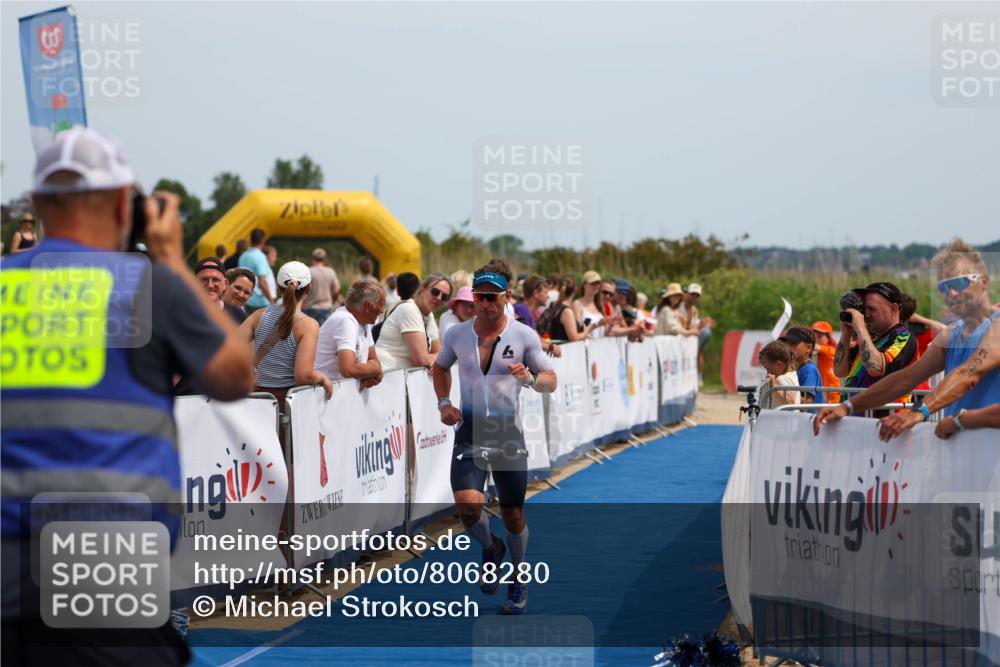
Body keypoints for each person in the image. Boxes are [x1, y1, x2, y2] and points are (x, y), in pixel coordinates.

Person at [1, 127, 253, 665]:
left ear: (40, 205)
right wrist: (173, 260)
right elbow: (236, 376)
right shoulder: (146, 286)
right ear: (124, 204)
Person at [431, 258, 557, 615]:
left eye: (492, 297)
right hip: (469, 429)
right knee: (468, 507)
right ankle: (491, 548)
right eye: (479, 297)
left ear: (507, 297)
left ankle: (518, 580)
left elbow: (550, 380)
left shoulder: (523, 335)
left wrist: (530, 379)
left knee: (513, 514)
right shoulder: (457, 333)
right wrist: (443, 403)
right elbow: (439, 367)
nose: (484, 304)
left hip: (506, 434)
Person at [814, 238, 1000, 440]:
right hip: (962, 449)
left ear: (984, 281)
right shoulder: (952, 333)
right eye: (943, 288)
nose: (951, 294)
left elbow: (968, 374)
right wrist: (847, 406)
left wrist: (919, 412)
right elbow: (906, 378)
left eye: (959, 283)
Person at [240, 261, 332, 416]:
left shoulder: (258, 316)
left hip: (258, 401)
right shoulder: (308, 325)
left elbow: (229, 346)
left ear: (278, 287)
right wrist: (322, 378)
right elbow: (304, 375)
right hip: (287, 407)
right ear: (308, 288)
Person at [832, 281, 917, 410]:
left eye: (872, 309)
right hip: (858, 418)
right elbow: (840, 371)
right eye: (864, 309)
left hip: (885, 421)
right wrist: (846, 334)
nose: (866, 315)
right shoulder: (870, 339)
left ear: (894, 308)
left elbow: (875, 369)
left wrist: (860, 327)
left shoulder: (903, 336)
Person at [375, 273, 451, 371]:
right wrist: (436, 358)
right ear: (423, 289)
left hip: (403, 378)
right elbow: (422, 360)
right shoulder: (409, 309)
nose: (439, 298)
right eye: (435, 292)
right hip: (386, 376)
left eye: (445, 297)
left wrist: (434, 358)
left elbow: (437, 352)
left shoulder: (428, 314)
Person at [314, 280, 384, 385]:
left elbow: (372, 358)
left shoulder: (363, 321)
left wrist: (371, 372)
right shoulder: (345, 320)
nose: (382, 310)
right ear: (368, 307)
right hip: (321, 394)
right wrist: (376, 370)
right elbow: (348, 369)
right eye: (381, 305)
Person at [537, 275, 593, 342]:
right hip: (565, 350)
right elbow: (574, 338)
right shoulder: (567, 311)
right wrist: (586, 331)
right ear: (575, 289)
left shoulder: (554, 306)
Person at [195, 257, 245, 323]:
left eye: (215, 280)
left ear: (225, 284)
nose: (210, 285)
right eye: (204, 280)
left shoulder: (238, 315)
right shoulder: (182, 314)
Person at [780, 326, 823, 404]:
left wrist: (779, 392)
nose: (788, 347)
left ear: (809, 348)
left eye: (794, 343)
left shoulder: (808, 370)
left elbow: (806, 402)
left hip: (810, 416)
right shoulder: (797, 368)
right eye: (787, 343)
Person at [239, 228, 277, 313]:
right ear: (263, 240)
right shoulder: (260, 257)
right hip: (261, 302)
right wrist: (272, 302)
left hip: (246, 300)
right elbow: (262, 281)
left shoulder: (243, 256)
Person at [301, 247, 341, 326]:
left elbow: (303, 291)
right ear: (324, 259)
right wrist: (333, 300)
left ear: (313, 258)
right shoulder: (330, 271)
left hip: (310, 308)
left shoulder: (309, 271)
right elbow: (337, 289)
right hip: (326, 308)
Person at [684, 283, 715, 381]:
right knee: (704, 334)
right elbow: (684, 326)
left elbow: (692, 326)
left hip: (689, 336)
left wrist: (703, 324)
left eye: (697, 295)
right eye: (693, 294)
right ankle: (695, 375)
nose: (695, 297)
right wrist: (700, 325)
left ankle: (698, 375)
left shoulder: (694, 310)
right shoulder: (681, 306)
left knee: (706, 332)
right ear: (687, 294)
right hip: (681, 336)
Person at [758, 341, 800, 408]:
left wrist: (775, 387)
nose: (768, 373)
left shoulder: (782, 379)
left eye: (768, 368)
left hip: (782, 418)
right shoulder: (793, 375)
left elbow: (791, 401)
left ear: (778, 364)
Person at [811, 320, 840, 403]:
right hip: (823, 391)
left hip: (832, 393)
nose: (816, 340)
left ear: (829, 337)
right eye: (814, 337)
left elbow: (817, 347)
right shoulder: (820, 351)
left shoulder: (831, 350)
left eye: (819, 336)